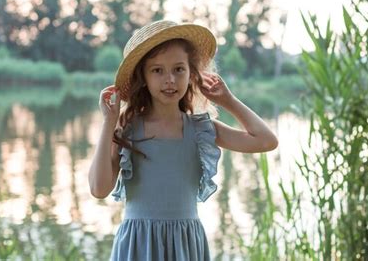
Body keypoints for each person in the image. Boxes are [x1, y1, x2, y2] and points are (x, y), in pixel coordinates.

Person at [89, 20, 278, 261]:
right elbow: (98, 189)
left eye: (178, 69)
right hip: (138, 246)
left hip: (185, 246)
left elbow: (266, 141)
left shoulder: (201, 130)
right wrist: (109, 121)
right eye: (157, 70)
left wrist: (229, 101)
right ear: (143, 78)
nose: (170, 79)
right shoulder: (127, 130)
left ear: (191, 74)